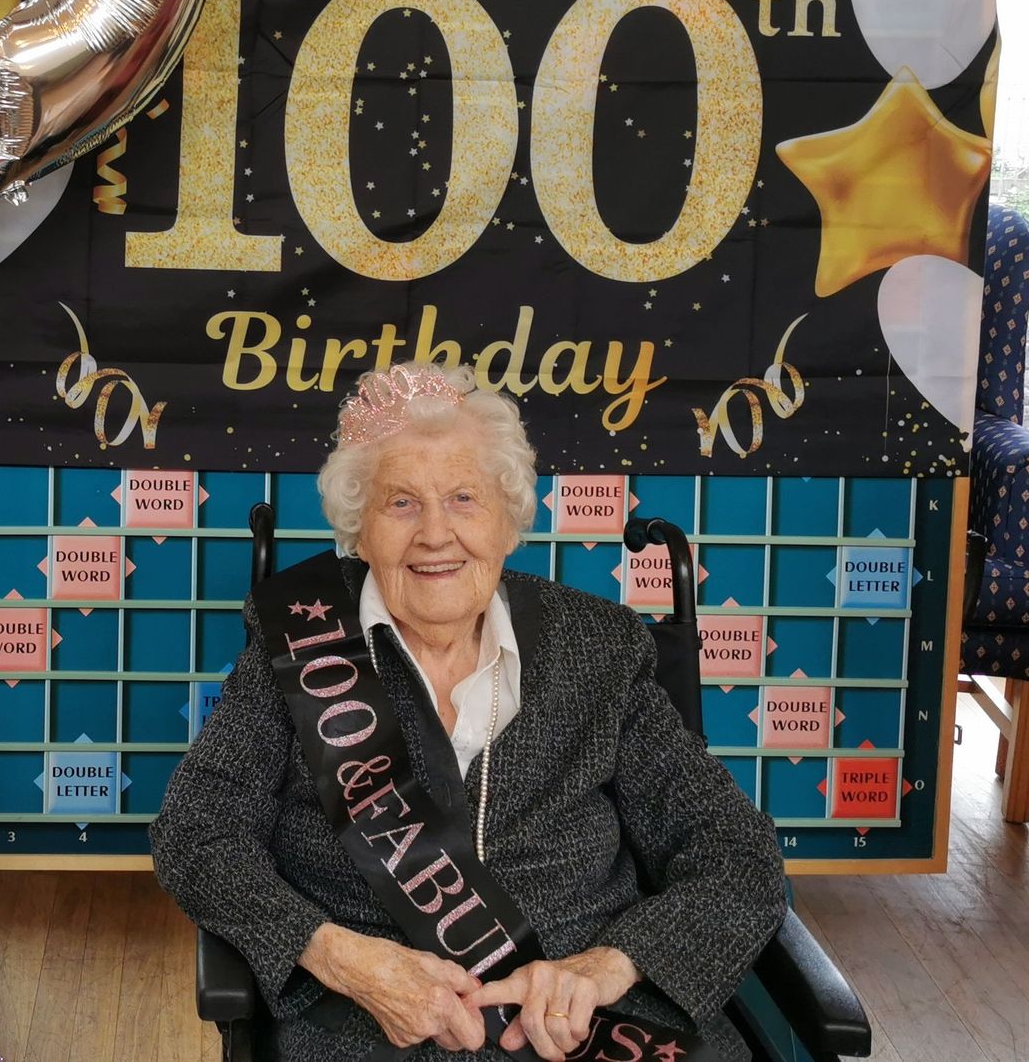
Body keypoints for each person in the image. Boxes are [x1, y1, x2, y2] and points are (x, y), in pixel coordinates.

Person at [150, 361, 785, 1061]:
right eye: (400, 503)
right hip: (370, 1021)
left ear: (509, 523)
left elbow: (737, 853)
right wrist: (340, 958)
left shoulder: (601, 647)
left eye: (463, 498)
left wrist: (611, 965)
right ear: (359, 530)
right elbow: (196, 833)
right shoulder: (295, 643)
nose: (434, 534)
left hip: (591, 1024)